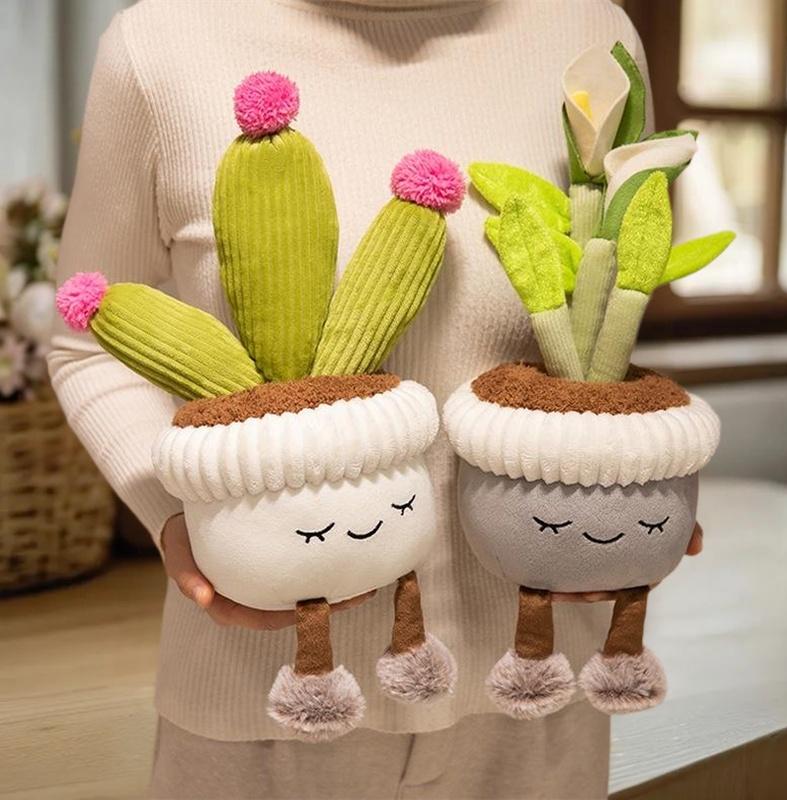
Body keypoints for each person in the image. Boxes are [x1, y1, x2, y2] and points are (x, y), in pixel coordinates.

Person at [49, 1, 675, 797]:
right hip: (262, 694)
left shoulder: (587, 33)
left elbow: (600, 319)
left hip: (538, 685)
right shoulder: (162, 42)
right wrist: (176, 517)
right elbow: (84, 335)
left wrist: (638, 495)